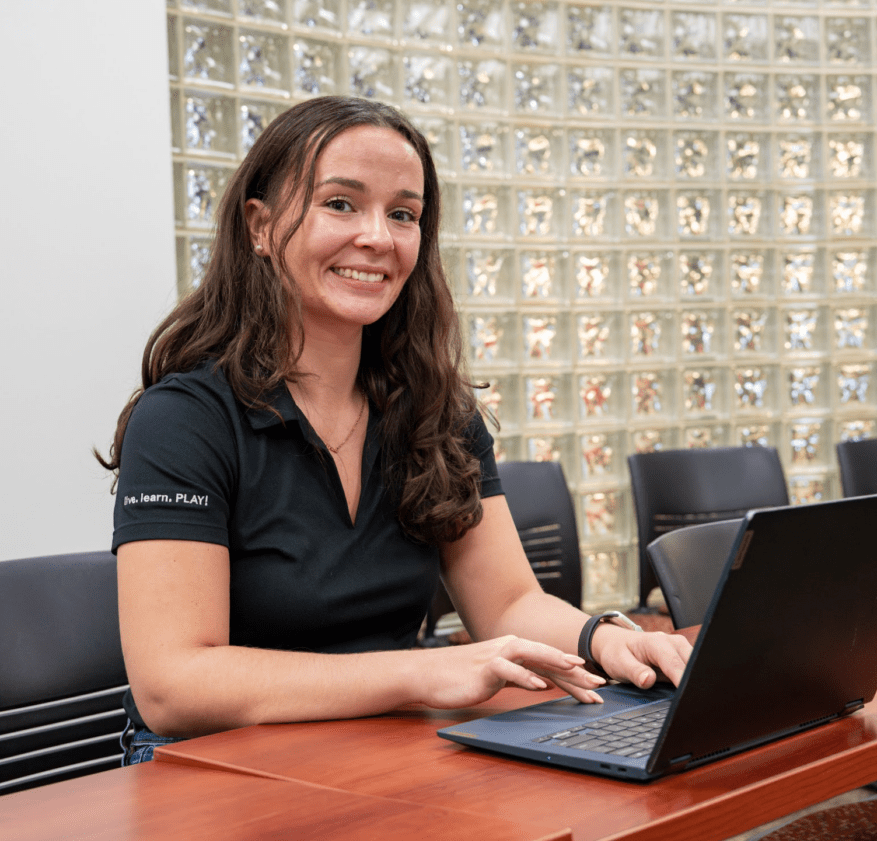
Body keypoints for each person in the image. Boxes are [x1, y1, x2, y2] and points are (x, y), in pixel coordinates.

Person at [98, 95, 692, 764]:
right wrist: (423, 672)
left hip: (381, 748)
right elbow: (174, 686)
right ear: (259, 227)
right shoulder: (183, 421)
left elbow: (508, 604)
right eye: (341, 204)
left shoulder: (435, 411)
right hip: (214, 772)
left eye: (403, 214)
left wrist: (606, 639)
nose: (378, 237)